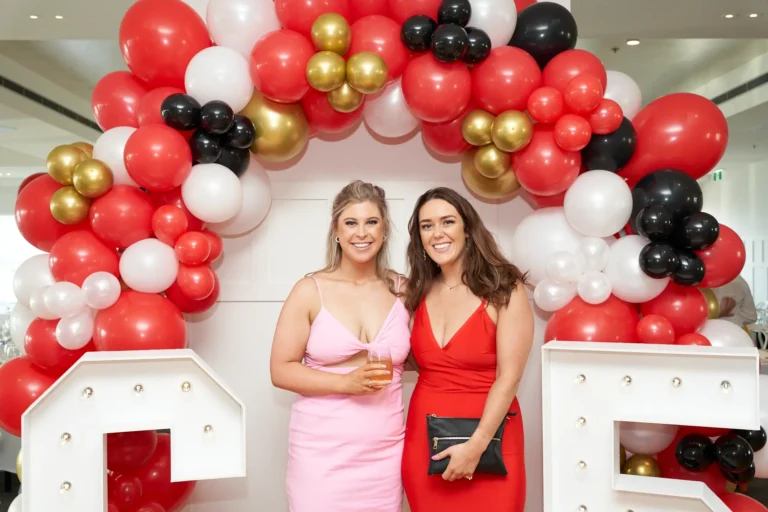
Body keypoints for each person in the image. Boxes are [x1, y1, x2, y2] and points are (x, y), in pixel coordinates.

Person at [269, 181, 410, 512]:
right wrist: (345, 382)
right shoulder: (309, 290)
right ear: (336, 230)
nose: (362, 233)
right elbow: (280, 370)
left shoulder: (404, 289)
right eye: (351, 223)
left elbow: (428, 353)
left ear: (385, 228)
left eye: (371, 222)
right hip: (321, 455)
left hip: (385, 454)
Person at [401, 187, 533, 511]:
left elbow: (509, 378)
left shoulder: (505, 287)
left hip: (492, 442)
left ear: (468, 229)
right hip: (425, 442)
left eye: (447, 221)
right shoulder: (417, 292)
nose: (437, 233)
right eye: (426, 226)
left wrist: (475, 447)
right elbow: (410, 360)